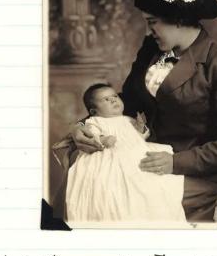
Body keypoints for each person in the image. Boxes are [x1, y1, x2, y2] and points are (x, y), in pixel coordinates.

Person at [71, 0, 217, 222]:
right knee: (89, 183)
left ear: (178, 16)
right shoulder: (151, 49)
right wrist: (84, 126)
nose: (147, 31)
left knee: (123, 200)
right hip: (141, 156)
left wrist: (174, 162)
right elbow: (125, 101)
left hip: (193, 173)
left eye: (152, 22)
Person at [62, 83, 185, 223]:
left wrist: (140, 128)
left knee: (149, 172)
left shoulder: (128, 119)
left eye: (114, 96)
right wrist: (103, 139)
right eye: (105, 100)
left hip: (134, 150)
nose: (113, 100)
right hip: (112, 154)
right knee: (118, 177)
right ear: (94, 111)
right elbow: (91, 136)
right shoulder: (95, 121)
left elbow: (139, 138)